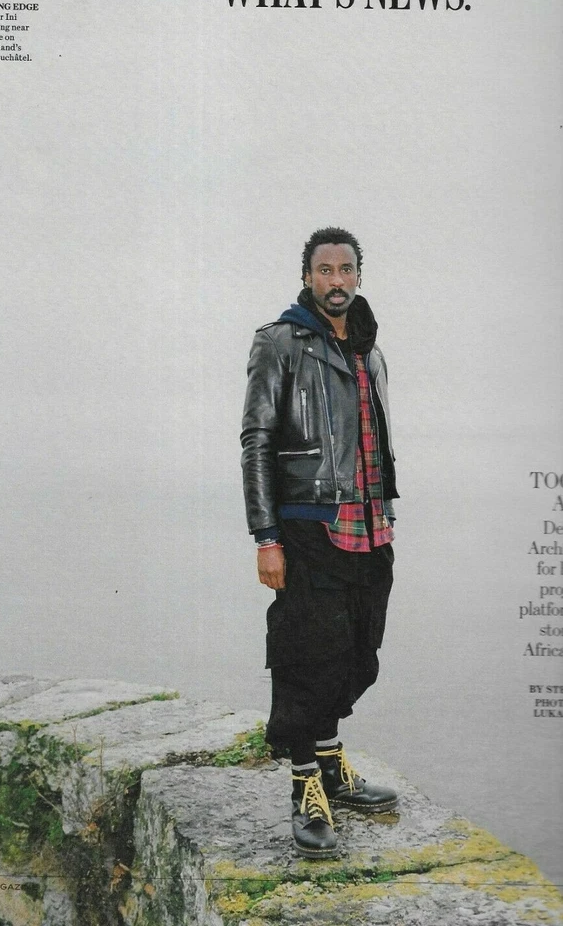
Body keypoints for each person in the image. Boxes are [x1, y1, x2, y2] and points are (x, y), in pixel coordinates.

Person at [241, 227, 400, 859]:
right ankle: (306, 785)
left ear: (359, 275)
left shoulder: (370, 348)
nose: (336, 280)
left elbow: (374, 440)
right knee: (309, 654)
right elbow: (256, 440)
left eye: (346, 269)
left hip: (371, 525)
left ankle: (332, 764)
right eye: (325, 270)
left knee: (358, 653)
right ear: (307, 277)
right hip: (308, 525)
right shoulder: (279, 342)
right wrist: (266, 536)